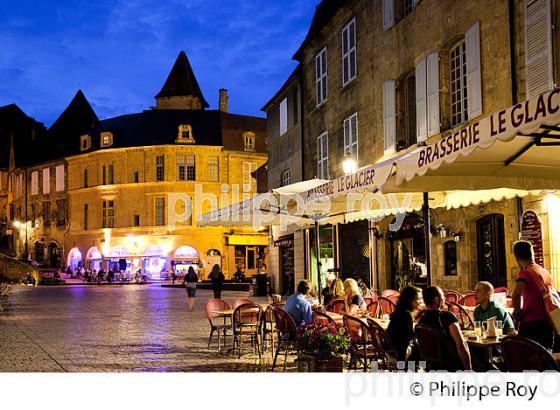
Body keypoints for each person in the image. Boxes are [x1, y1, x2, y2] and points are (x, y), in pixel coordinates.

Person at [512, 240, 555, 350]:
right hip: (548, 322)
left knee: (525, 359)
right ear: (532, 253)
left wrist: (517, 312)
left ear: (516, 256)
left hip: (531, 324)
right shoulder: (544, 271)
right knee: (544, 359)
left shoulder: (525, 273)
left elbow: (516, 294)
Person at [418, 286, 472, 370]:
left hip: (432, 365)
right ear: (437, 300)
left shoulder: (421, 321)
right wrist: (469, 370)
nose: (445, 299)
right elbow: (460, 344)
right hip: (450, 365)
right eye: (443, 297)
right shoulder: (447, 317)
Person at [387, 286, 421, 363]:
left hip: (390, 352)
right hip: (401, 354)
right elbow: (411, 337)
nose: (419, 301)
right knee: (425, 350)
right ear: (409, 300)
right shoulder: (406, 315)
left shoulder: (398, 312)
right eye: (417, 299)